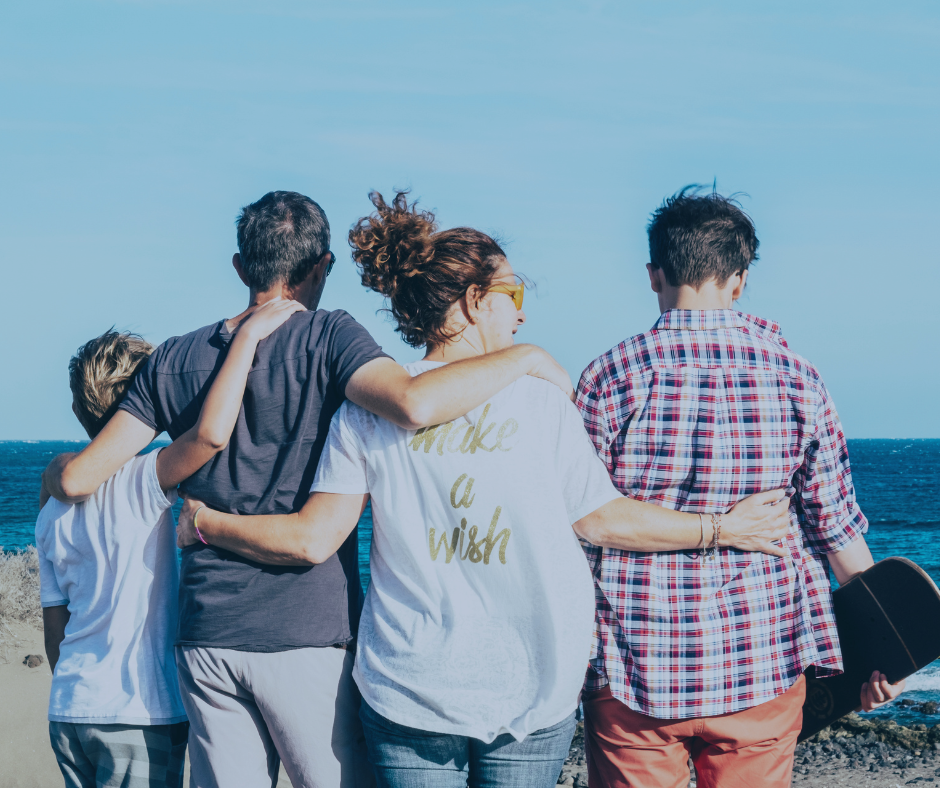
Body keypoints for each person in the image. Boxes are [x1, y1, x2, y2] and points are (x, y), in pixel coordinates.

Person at [172, 190, 792, 788]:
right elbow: (601, 520)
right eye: (512, 292)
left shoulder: (363, 412)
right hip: (532, 681)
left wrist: (206, 521)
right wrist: (721, 529)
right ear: (474, 301)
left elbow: (314, 538)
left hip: (407, 685)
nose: (521, 311)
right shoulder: (539, 396)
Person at [41, 191, 577, 788]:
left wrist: (59, 473)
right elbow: (410, 402)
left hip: (206, 634)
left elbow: (80, 478)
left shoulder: (173, 357)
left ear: (242, 267)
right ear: (321, 265)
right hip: (306, 631)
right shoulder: (330, 338)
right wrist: (525, 358)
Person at [575, 187, 904, 788]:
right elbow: (836, 532)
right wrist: (886, 648)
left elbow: (577, 521)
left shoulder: (608, 377)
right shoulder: (798, 378)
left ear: (655, 274)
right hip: (762, 659)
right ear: (740, 278)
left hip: (633, 666)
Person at [36, 299, 302, 788]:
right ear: (147, 402)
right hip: (137, 707)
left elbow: (55, 632)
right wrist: (246, 340)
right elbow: (207, 436)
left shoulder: (49, 509)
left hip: (69, 708)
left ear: (77, 409)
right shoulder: (144, 481)